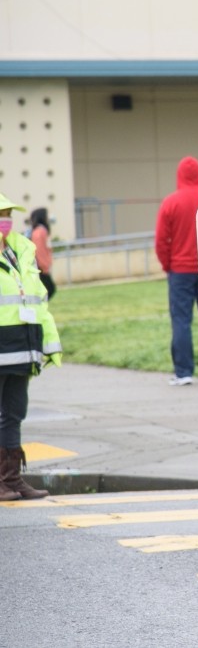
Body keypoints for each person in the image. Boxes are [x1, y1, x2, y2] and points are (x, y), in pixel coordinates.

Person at [0, 193, 61, 501]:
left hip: (21, 347)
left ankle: (11, 479)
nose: (6, 220)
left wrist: (49, 345)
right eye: (1, 213)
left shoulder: (22, 252)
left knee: (14, 413)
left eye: (8, 213)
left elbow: (38, 301)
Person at [155, 156, 198, 386]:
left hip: (180, 270)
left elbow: (162, 240)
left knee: (182, 320)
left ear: (179, 175)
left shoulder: (171, 202)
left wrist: (168, 265)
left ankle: (184, 372)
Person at [26, 207, 55, 300]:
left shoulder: (40, 231)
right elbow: (39, 250)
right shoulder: (40, 231)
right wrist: (44, 266)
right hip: (40, 267)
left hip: (40, 267)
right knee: (50, 288)